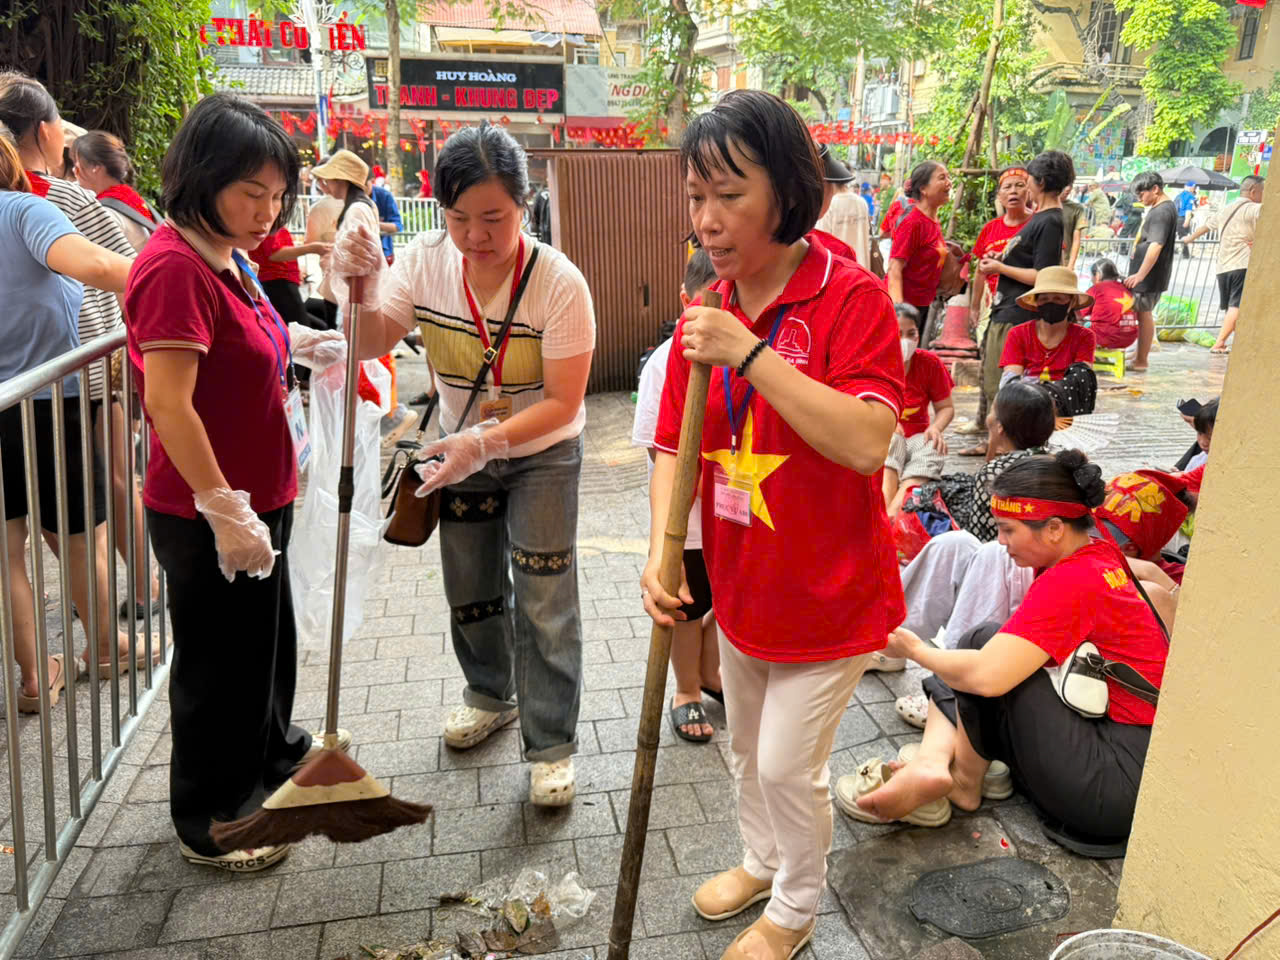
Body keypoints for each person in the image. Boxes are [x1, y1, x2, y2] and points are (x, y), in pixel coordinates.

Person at [642, 90, 904, 960]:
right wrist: (658, 555)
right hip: (743, 583)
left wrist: (749, 354)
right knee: (744, 748)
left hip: (830, 594)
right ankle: (760, 858)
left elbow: (868, 442)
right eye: (695, 197)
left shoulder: (849, 297)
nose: (707, 221)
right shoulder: (707, 308)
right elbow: (672, 451)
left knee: (791, 765)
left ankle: (793, 908)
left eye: (730, 196)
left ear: (788, 192)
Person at [329, 123, 597, 807]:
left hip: (541, 454)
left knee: (544, 595)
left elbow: (564, 403)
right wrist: (354, 281)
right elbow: (367, 341)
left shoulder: (559, 284)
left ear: (524, 205)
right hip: (458, 451)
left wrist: (486, 441)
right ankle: (490, 694)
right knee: (470, 583)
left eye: (493, 219)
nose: (475, 236)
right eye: (459, 219)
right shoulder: (423, 260)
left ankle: (552, 744)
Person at [124, 93, 347, 870]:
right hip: (207, 507)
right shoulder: (173, 266)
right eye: (252, 192)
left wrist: (303, 343)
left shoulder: (225, 255)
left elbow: (253, 343)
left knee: (265, 644)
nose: (267, 211)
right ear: (204, 177)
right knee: (218, 662)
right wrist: (221, 506)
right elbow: (168, 401)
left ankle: (271, 757)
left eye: (278, 195)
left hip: (263, 491)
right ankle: (214, 815)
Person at [840, 451, 1170, 856]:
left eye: (1008, 529)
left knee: (981, 647)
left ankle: (959, 779)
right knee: (991, 648)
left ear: (1053, 529)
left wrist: (913, 648)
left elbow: (986, 677)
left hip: (1109, 788)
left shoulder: (1071, 580)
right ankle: (943, 763)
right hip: (1138, 773)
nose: (1000, 542)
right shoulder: (1100, 553)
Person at [0, 70, 161, 623]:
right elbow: (127, 268)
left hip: (31, 380)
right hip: (86, 368)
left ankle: (106, 608)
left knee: (46, 516)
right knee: (105, 491)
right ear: (48, 133)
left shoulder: (26, 200)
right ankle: (140, 593)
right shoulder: (59, 197)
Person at [0, 121, 136, 713]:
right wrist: (186, 282)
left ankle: (33, 680)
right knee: (82, 540)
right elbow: (99, 267)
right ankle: (105, 647)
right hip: (51, 402)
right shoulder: (24, 212)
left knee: (6, 552)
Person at [632, 250, 722, 741]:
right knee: (685, 606)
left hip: (739, 512)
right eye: (705, 307)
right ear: (685, 301)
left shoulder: (751, 352)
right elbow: (657, 449)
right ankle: (687, 689)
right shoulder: (665, 363)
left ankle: (710, 674)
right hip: (686, 520)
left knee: (723, 601)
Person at [973, 151, 1071, 444]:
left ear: (1038, 182)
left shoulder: (1050, 221)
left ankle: (1003, 447)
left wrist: (1000, 266)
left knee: (1003, 388)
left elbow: (1043, 275)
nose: (1020, 188)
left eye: (1024, 181)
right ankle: (996, 445)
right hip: (1005, 310)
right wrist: (1000, 258)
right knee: (993, 383)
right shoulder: (1039, 218)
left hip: (1018, 315)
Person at [960, 166, 1033, 450]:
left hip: (1022, 310)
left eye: (1019, 186)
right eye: (1008, 187)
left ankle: (1006, 435)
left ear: (1030, 191)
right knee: (988, 369)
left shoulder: (1036, 225)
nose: (1013, 192)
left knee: (1010, 374)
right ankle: (985, 424)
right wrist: (975, 306)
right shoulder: (991, 228)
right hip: (994, 306)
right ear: (999, 195)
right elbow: (980, 270)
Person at [883, 303, 954, 517]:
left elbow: (946, 408)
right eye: (897, 333)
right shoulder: (874, 362)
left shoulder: (930, 363)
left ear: (918, 334)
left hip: (917, 439)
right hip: (885, 438)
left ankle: (892, 513)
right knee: (892, 442)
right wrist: (887, 424)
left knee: (933, 446)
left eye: (911, 333)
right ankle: (887, 517)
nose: (905, 340)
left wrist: (935, 428)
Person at [999, 266, 1097, 416]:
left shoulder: (1084, 336)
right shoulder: (1018, 333)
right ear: (1037, 302)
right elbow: (1011, 380)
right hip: (1025, 408)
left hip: (1066, 408)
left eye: (1058, 298)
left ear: (1071, 302)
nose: (1051, 303)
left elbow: (1080, 380)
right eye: (1044, 299)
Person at [1186, 174, 1264, 354]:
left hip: (1223, 265)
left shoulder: (1226, 209)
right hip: (1242, 262)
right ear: (1253, 191)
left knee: (1232, 306)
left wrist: (1189, 238)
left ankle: (1242, 340)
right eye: (1263, 191)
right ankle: (1219, 342)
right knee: (1237, 306)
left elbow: (1206, 226)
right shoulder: (1256, 209)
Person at [888, 160, 952, 340]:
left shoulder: (933, 221)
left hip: (923, 305)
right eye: (942, 178)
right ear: (923, 189)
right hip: (907, 307)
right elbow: (894, 269)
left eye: (948, 177)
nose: (949, 183)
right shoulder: (913, 223)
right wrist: (900, 313)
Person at [69, 130, 158, 251]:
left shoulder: (106, 214)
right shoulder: (128, 197)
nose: (74, 171)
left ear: (96, 167)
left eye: (76, 164)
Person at [1124, 171, 1177, 372]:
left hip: (1150, 276)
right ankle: (1139, 353)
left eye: (1142, 194)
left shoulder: (1161, 212)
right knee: (1142, 313)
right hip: (1149, 275)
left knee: (1144, 314)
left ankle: (1141, 360)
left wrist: (1140, 275)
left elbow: (1155, 246)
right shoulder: (1161, 208)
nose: (1140, 199)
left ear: (1155, 189)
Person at [248, 225, 331, 332]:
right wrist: (312, 248)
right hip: (278, 284)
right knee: (304, 333)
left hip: (277, 283)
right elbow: (274, 254)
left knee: (318, 326)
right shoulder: (269, 220)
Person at [812, 145, 867, 266]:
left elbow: (821, 241)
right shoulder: (861, 202)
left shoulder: (831, 204)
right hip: (860, 265)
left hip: (835, 266)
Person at [1079, 258, 1138, 349]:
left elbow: (1079, 314)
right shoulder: (1126, 288)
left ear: (1098, 276)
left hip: (1105, 338)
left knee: (1079, 326)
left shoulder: (1096, 289)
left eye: (1092, 276)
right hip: (1129, 338)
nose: (1091, 280)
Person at [366, 172, 403, 264]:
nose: (361, 189)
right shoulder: (351, 198)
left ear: (372, 181)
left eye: (364, 184)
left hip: (384, 251)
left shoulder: (385, 195)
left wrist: (375, 224)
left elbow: (397, 226)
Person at [1174, 183, 1197, 258]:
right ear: (1191, 187)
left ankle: (1184, 252)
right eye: (1194, 187)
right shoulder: (1190, 196)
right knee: (1183, 236)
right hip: (1183, 218)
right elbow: (1188, 209)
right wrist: (1187, 220)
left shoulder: (1179, 196)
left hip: (1176, 218)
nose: (1194, 189)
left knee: (1179, 235)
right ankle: (1186, 254)